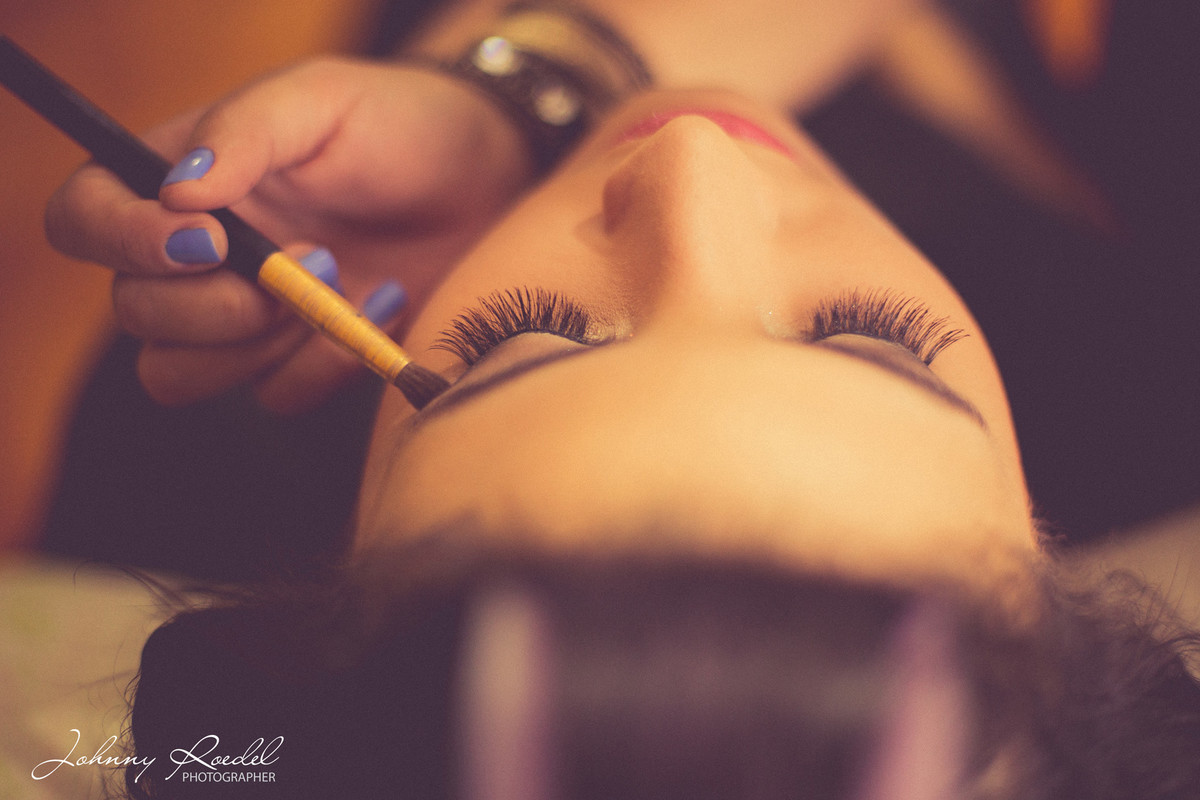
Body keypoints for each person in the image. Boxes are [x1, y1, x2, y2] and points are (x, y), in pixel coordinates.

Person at [37, 1, 1200, 797]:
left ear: (345, 541)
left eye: (521, 337)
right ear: (1048, 541)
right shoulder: (1151, 365)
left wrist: (497, 81)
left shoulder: (190, 439)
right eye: (872, 339)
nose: (693, 156)